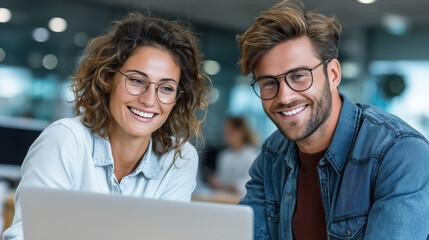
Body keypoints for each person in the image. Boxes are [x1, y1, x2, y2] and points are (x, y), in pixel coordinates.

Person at [3, 12, 210, 240]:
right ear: (107, 78)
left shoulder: (179, 160)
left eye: (166, 88)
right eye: (136, 80)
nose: (149, 100)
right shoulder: (65, 140)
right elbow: (25, 236)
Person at [236, 0, 429, 239]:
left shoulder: (400, 152)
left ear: (333, 75)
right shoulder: (273, 155)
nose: (284, 97)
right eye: (268, 83)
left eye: (298, 76)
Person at [207, 116, 258, 196]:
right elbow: (220, 180)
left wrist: (221, 186)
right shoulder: (225, 155)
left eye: (229, 132)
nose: (225, 135)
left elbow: (245, 185)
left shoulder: (251, 155)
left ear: (240, 132)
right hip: (223, 198)